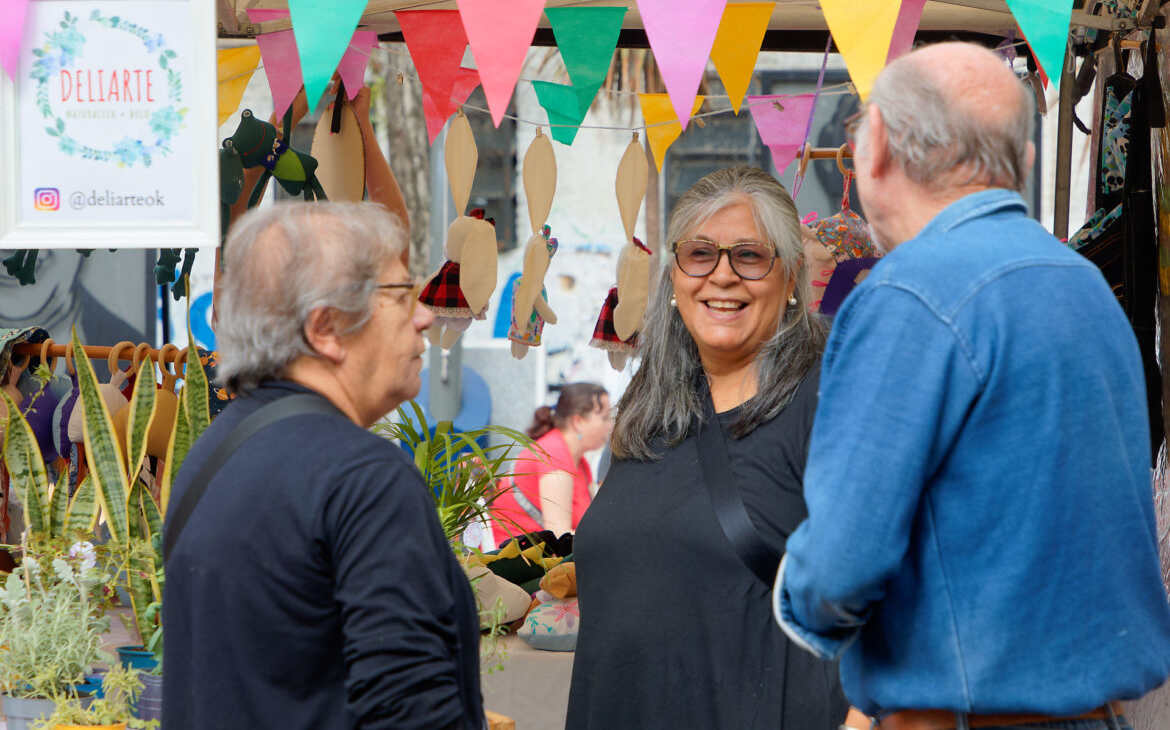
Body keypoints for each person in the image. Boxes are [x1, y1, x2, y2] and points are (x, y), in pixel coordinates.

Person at [774, 43, 1170, 730]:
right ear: (1021, 164)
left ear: (879, 152)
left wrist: (798, 604)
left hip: (963, 715)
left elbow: (842, 563)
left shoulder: (907, 293)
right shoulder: (1083, 284)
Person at [163, 201, 484, 729]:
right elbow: (411, 711)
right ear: (327, 328)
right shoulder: (364, 478)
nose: (424, 315)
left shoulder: (213, 454)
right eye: (402, 294)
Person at [566, 166, 848, 728]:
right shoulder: (653, 402)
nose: (722, 276)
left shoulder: (829, 395)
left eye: (749, 256)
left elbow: (887, 590)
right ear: (675, 276)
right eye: (700, 254)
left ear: (791, 277)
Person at [489, 382, 611, 542]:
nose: (611, 425)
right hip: (516, 560)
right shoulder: (554, 455)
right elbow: (559, 536)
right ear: (578, 422)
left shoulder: (579, 462)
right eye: (605, 417)